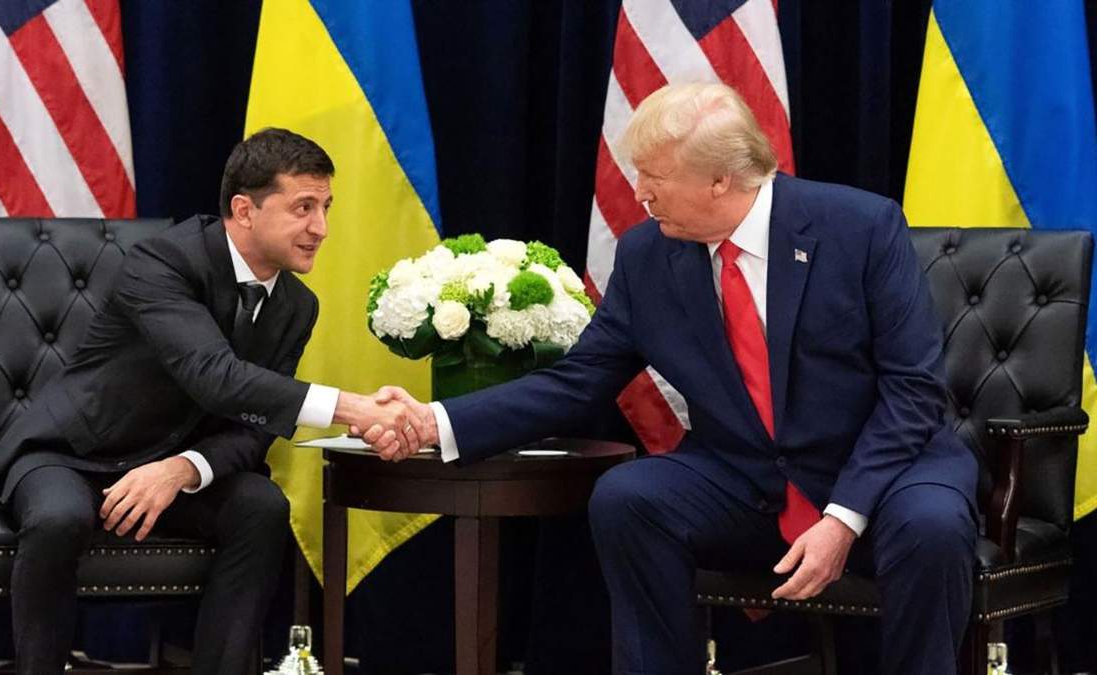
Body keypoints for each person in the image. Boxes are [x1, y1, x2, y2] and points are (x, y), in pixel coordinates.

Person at [363, 83, 978, 675]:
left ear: (720, 180)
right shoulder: (646, 255)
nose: (639, 193)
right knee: (630, 498)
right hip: (746, 475)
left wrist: (843, 517)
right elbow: (579, 381)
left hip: (885, 471)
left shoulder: (860, 227)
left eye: (654, 176)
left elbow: (913, 391)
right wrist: (435, 421)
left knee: (932, 527)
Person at [0, 128, 428, 674]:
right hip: (71, 453)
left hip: (171, 464)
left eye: (325, 207)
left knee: (261, 506)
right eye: (303, 207)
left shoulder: (296, 306)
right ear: (245, 209)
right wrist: (356, 409)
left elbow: (255, 427)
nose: (321, 228)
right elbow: (215, 376)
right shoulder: (161, 261)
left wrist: (183, 469)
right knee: (58, 517)